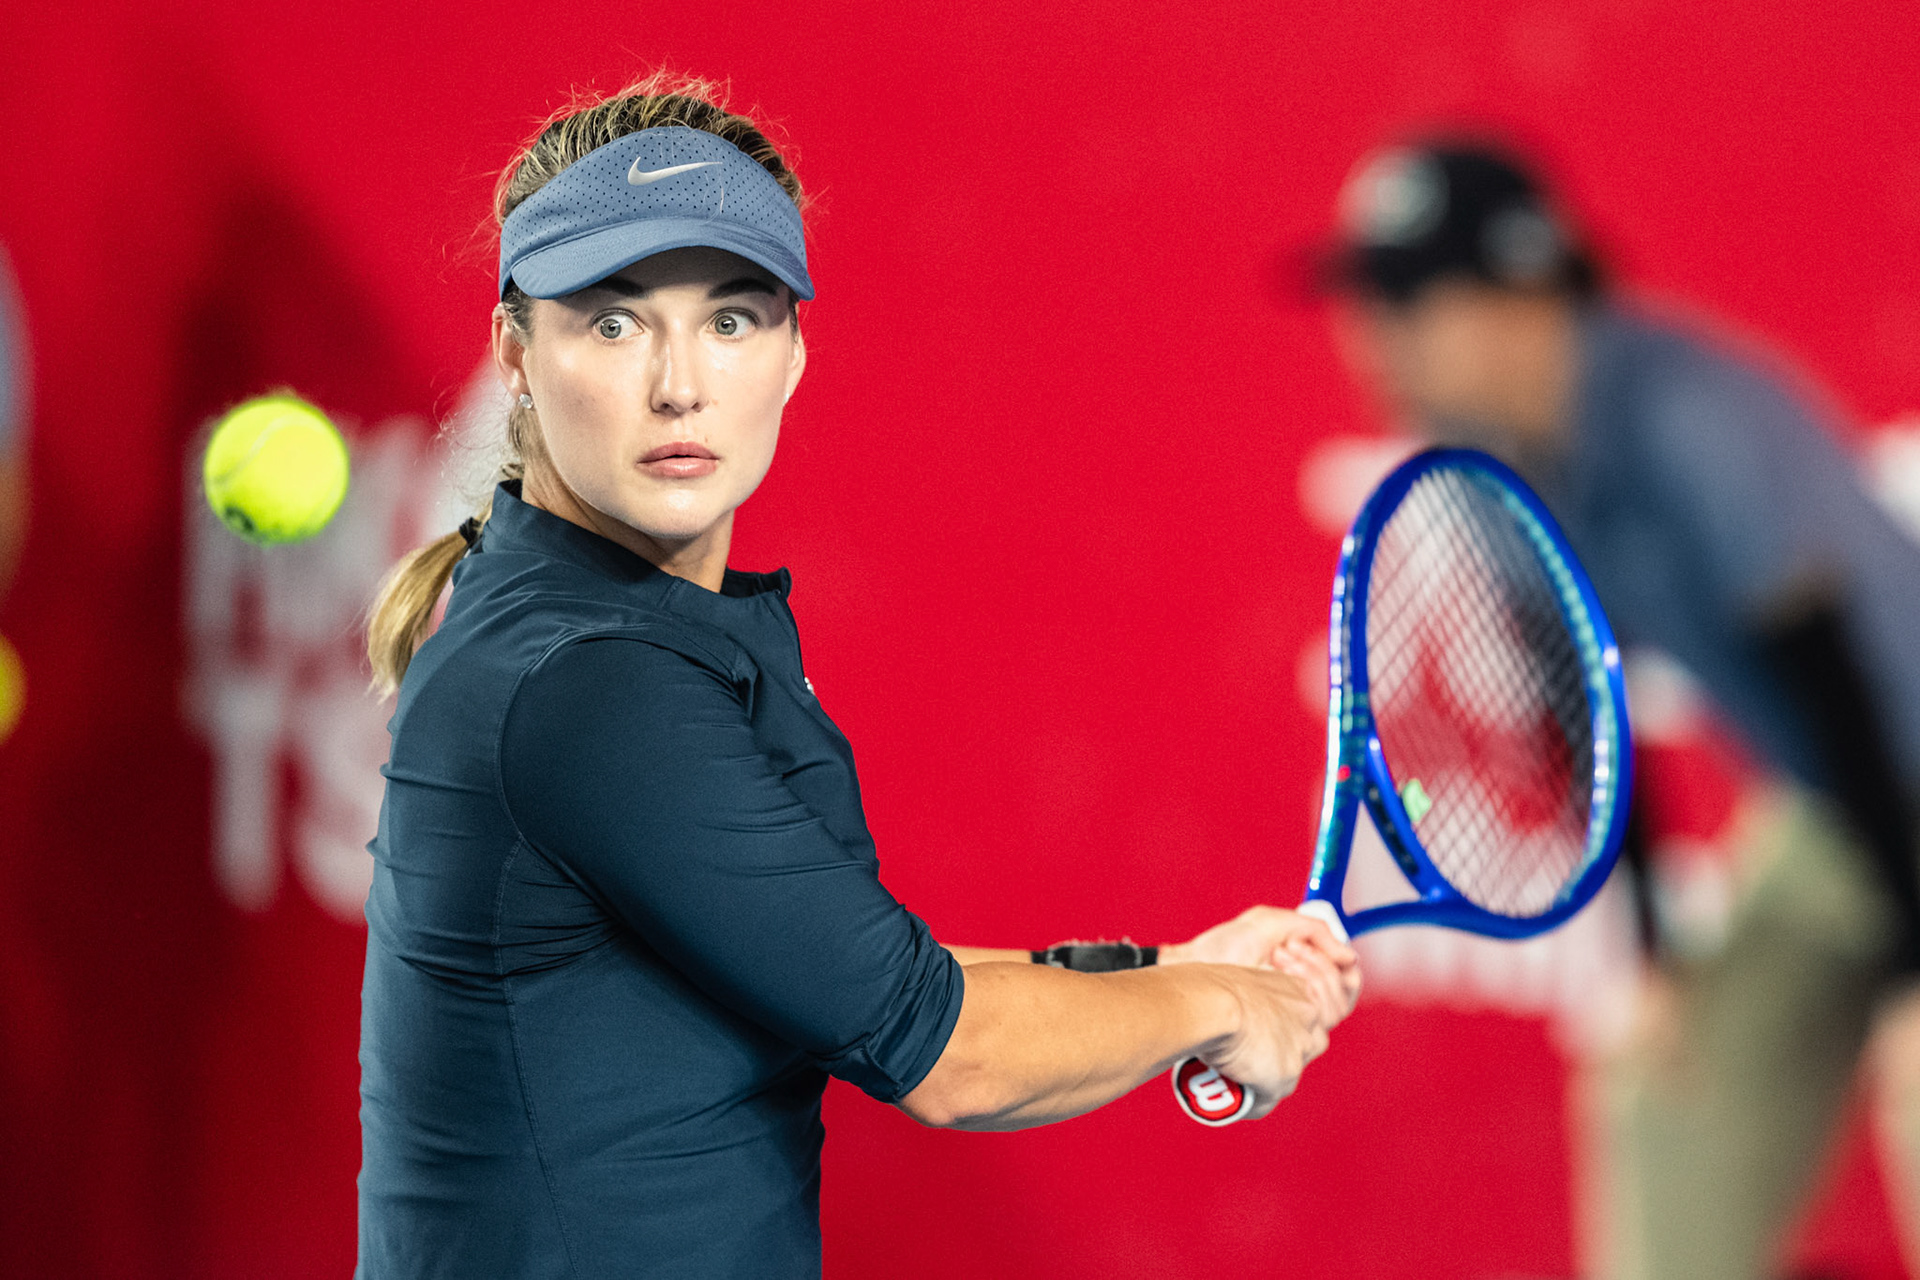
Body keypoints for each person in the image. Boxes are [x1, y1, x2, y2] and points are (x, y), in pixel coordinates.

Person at [356, 76, 1360, 1279]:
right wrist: (1228, 1008)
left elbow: (861, 967)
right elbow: (951, 1053)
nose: (680, 383)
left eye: (732, 318)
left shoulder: (584, 618)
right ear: (517, 356)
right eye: (614, 323)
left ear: (792, 355)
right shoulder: (594, 684)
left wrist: (1178, 968)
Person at [1320, 140, 1920, 1280]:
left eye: (1407, 296)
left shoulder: (1689, 412)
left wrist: (1910, 968)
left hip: (1883, 792)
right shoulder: (1491, 467)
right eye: (1367, 298)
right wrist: (1652, 960)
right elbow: (1591, 726)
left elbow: (1833, 682)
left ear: (1524, 288)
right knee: (1667, 1079)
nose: (1372, 332)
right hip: (1841, 815)